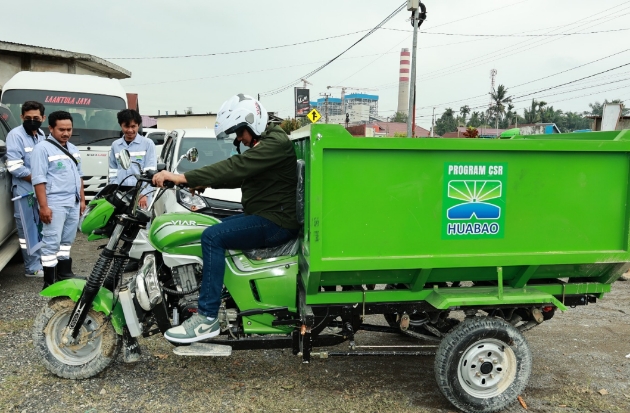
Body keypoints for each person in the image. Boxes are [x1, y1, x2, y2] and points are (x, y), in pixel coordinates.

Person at [152, 94, 299, 343]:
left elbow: (236, 167)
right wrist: (201, 183)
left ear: (254, 123)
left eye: (240, 132)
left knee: (212, 237)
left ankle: (206, 318)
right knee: (211, 228)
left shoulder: (276, 143)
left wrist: (183, 177)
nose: (238, 138)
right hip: (265, 215)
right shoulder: (269, 143)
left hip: (276, 222)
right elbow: (237, 175)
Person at [31, 111, 85, 289]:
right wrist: (44, 206)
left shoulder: (73, 149)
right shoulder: (42, 149)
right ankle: (49, 281)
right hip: (54, 203)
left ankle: (64, 274)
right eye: (61, 129)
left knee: (66, 241)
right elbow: (39, 179)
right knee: (51, 242)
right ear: (51, 128)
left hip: (73, 201)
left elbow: (79, 177)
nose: (66, 133)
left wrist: (82, 201)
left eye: (69, 129)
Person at [108, 109, 156, 272]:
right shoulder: (116, 145)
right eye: (126, 126)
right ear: (121, 126)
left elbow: (150, 170)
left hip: (141, 192)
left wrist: (143, 193)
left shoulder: (147, 144)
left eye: (133, 126)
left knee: (142, 226)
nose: (130, 130)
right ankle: (128, 256)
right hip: (122, 191)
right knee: (124, 224)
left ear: (138, 125)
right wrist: (112, 191)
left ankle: (143, 259)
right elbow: (113, 170)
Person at [6, 101, 47, 278]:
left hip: (40, 189)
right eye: (28, 117)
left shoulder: (41, 134)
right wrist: (38, 179)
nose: (32, 120)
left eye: (36, 118)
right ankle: (32, 268)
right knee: (27, 229)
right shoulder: (15, 135)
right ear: (22, 116)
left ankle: (40, 261)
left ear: (42, 118)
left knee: (40, 227)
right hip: (24, 191)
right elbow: (14, 166)